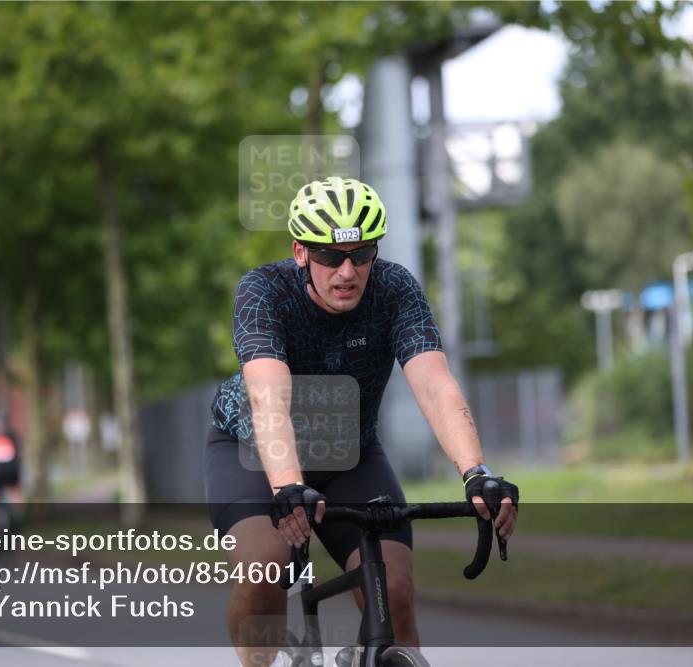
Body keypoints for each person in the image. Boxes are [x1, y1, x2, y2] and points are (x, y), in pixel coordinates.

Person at [204, 177, 520, 667]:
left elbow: (435, 385)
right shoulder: (263, 291)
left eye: (361, 253)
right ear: (301, 252)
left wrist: (476, 472)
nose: (347, 271)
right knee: (263, 568)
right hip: (254, 451)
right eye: (331, 257)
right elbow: (270, 399)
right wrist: (289, 486)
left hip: (350, 453)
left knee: (394, 590)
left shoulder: (395, 289)